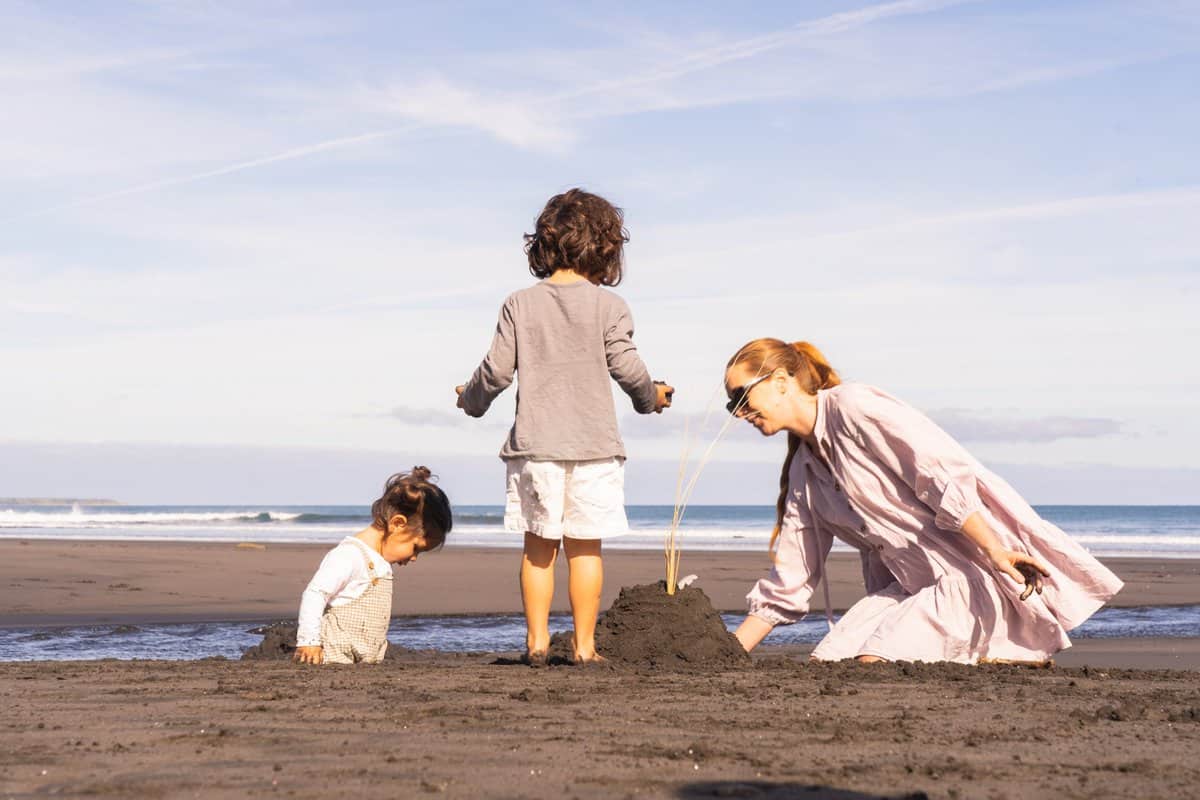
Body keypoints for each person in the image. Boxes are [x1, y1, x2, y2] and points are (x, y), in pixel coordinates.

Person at [724, 338, 1123, 664]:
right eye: (731, 405)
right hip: (908, 593)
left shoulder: (854, 407)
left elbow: (938, 475)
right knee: (826, 663)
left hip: (967, 580)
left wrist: (996, 550)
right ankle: (993, 657)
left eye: (741, 397)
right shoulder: (804, 474)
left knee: (872, 664)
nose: (738, 414)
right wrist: (727, 654)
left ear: (779, 380)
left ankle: (1003, 647)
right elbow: (791, 578)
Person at [456, 188, 673, 665]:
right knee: (585, 550)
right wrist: (650, 398)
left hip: (536, 447)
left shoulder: (519, 303)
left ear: (544, 245)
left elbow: (495, 372)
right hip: (594, 447)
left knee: (538, 548)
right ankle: (584, 646)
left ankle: (535, 644)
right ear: (606, 247)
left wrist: (469, 401)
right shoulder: (609, 306)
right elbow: (628, 368)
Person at [294, 468, 452, 665]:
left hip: (364, 661)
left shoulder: (380, 562)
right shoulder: (349, 555)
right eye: (415, 548)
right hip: (334, 657)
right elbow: (315, 593)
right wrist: (309, 641)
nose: (413, 558)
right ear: (397, 524)